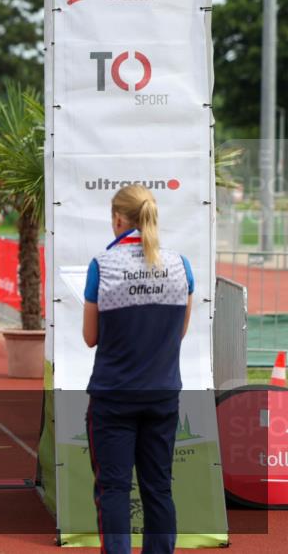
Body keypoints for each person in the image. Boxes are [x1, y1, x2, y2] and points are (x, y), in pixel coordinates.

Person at [82, 184, 193, 554]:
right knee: (158, 487)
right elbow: (179, 332)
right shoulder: (180, 265)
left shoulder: (103, 264)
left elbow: (90, 337)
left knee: (114, 489)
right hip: (162, 393)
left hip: (114, 395)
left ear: (117, 218)